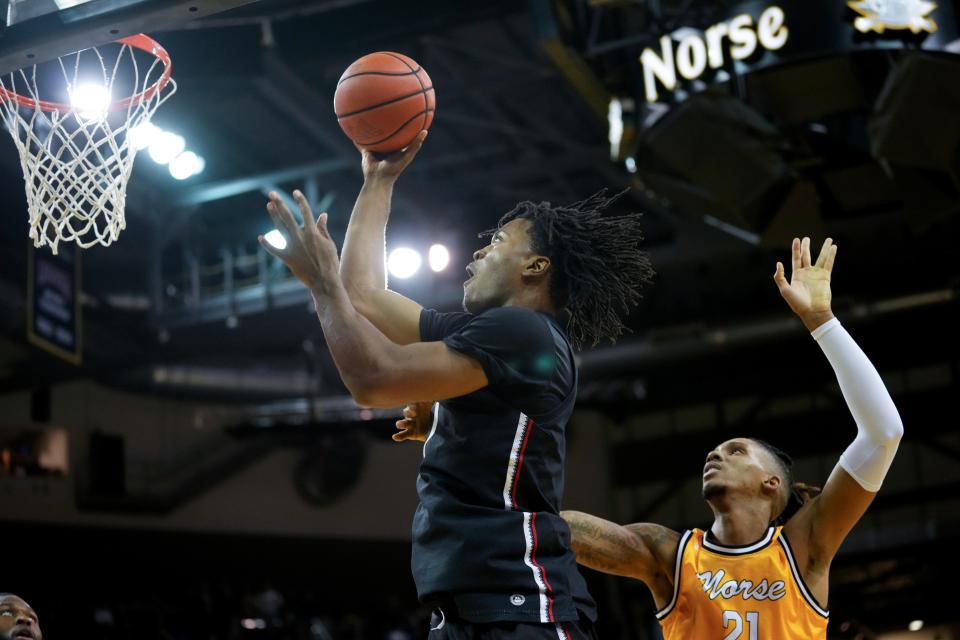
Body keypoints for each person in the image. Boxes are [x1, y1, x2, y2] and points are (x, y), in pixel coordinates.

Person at [258, 131, 653, 639]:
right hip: (477, 605)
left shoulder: (523, 331)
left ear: (536, 267)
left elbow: (373, 379)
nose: (476, 254)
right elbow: (365, 296)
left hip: (519, 602)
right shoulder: (497, 336)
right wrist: (378, 182)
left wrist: (321, 284)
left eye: (496, 242)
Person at [557, 237, 904, 639]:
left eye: (735, 451)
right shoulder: (671, 554)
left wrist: (822, 321)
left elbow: (884, 434)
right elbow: (554, 529)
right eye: (715, 451)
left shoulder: (803, 547)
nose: (714, 455)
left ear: (770, 482)